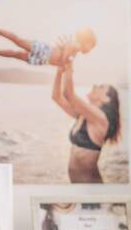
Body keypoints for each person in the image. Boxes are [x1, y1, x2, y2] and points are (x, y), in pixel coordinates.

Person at [51, 55, 121, 184]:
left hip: (93, 192)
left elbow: (68, 94)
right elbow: (56, 97)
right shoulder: (83, 115)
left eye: (101, 87)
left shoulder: (100, 119)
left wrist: (69, 65)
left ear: (106, 99)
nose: (95, 85)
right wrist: (60, 70)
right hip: (78, 189)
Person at [0, 25, 97, 67]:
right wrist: (66, 62)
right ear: (86, 41)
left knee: (15, 54)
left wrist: (65, 64)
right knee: (18, 41)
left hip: (43, 60)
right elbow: (66, 51)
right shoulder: (76, 45)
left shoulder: (75, 52)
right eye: (90, 47)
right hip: (45, 51)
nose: (89, 50)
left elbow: (63, 61)